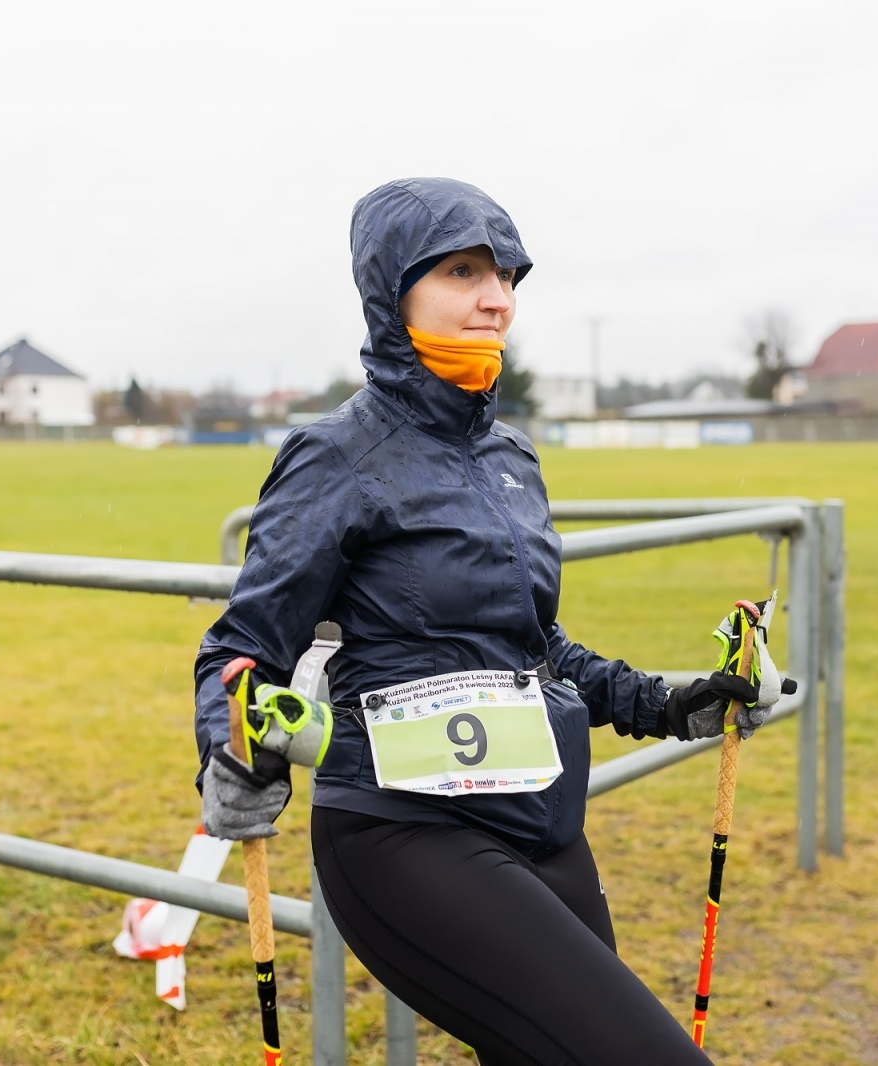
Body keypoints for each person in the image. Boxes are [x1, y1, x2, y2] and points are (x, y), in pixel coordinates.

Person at [194, 177, 780, 1065]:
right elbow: (241, 651)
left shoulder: (510, 455)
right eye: (464, 270)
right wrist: (231, 745)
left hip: (538, 819)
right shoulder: (335, 455)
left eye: (506, 274)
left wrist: (666, 702)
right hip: (403, 834)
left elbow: (531, 648)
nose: (496, 297)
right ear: (394, 289)